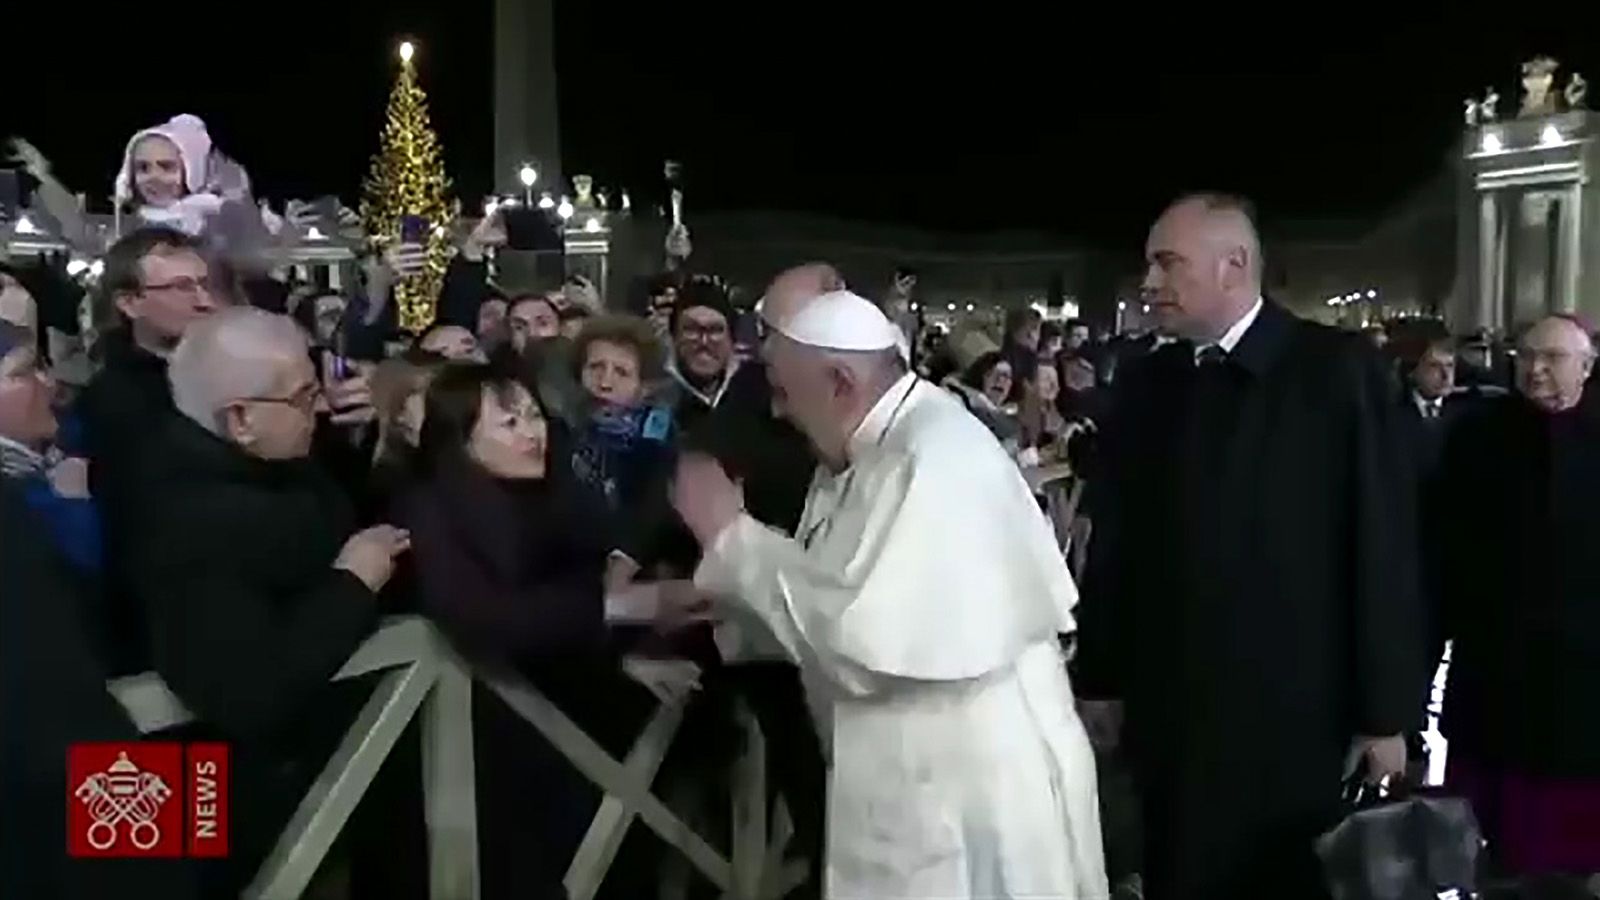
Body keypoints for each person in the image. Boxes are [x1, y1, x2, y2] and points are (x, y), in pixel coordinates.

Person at [670, 289, 1108, 899]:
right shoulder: (868, 448)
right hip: (922, 781)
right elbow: (825, 588)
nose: (780, 411)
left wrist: (731, 537)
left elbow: (859, 642)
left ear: (840, 382)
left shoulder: (930, 456)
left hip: (965, 792)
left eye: (786, 393)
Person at [1075, 193, 1428, 900]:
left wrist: (1386, 714)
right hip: (1170, 711)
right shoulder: (1149, 382)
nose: (1149, 283)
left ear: (1233, 265)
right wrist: (1101, 675)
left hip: (1296, 718)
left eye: (1167, 263)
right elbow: (1118, 544)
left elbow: (1383, 544)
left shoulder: (1336, 371)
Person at [125, 307, 409, 891]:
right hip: (238, 812)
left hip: (310, 786)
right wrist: (353, 583)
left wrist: (353, 448)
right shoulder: (194, 524)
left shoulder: (255, 465)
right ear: (241, 419)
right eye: (303, 397)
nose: (321, 408)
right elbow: (246, 690)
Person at [1433, 314, 1600, 878]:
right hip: (1494, 679)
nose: (1535, 369)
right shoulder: (1475, 436)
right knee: (1487, 851)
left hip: (1583, 693)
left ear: (1586, 367)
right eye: (1526, 356)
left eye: (1552, 358)